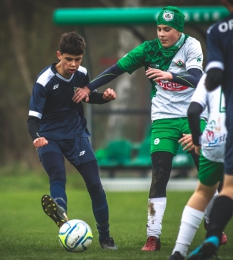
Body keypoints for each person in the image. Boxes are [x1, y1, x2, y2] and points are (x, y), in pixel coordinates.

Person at [72, 6, 207, 251]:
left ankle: (213, 228)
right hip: (164, 118)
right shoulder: (148, 49)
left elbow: (197, 78)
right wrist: (89, 88)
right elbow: (117, 69)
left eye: (167, 29)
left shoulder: (192, 46)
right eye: (159, 28)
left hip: (193, 115)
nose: (162, 33)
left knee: (205, 170)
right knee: (159, 174)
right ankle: (153, 237)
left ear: (179, 31)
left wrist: (169, 75)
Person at [27, 31, 118, 250]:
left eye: (77, 60)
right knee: (57, 176)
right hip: (50, 138)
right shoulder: (44, 81)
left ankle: (105, 238)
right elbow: (32, 119)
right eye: (68, 59)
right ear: (59, 55)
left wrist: (103, 98)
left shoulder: (82, 74)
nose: (73, 64)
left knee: (95, 185)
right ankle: (61, 214)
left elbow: (88, 96)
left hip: (77, 135)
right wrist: (36, 137)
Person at [187, 1, 233, 259]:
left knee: (226, 189)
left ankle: (213, 236)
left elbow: (213, 76)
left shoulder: (219, 31)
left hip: (225, 129)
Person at [168, 74, 227, 260]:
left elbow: (193, 111)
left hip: (213, 139)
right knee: (229, 190)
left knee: (203, 191)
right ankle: (213, 237)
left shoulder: (208, 76)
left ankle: (178, 252)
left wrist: (197, 140)